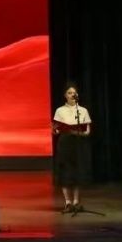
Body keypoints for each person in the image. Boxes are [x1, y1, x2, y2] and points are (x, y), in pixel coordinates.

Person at [52, 82, 92, 213]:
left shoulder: (83, 110)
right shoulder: (60, 110)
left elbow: (87, 131)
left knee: (77, 172)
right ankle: (67, 202)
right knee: (65, 172)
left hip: (79, 143)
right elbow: (56, 130)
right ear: (65, 95)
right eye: (69, 93)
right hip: (65, 143)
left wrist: (78, 131)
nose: (72, 95)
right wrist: (55, 129)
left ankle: (76, 201)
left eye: (74, 93)